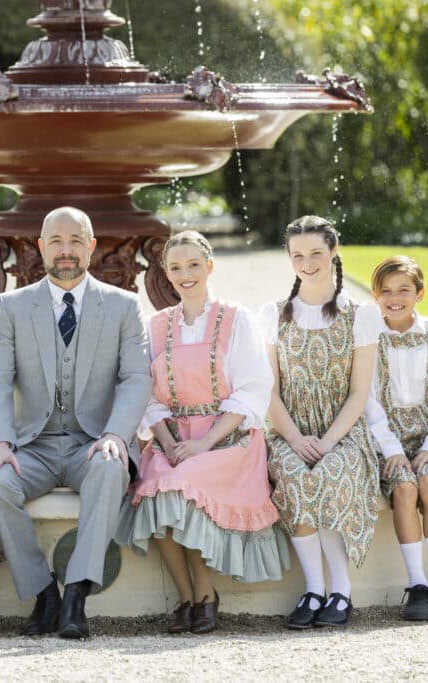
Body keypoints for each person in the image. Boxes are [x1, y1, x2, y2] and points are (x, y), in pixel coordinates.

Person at [0, 206, 152, 639]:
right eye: (56, 241)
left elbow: (136, 378)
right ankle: (43, 593)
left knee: (112, 469)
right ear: (40, 247)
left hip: (91, 442)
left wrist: (114, 434)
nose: (66, 250)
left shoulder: (123, 307)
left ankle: (75, 593)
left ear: (91, 247)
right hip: (31, 444)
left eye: (76, 241)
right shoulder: (12, 306)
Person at [115, 231, 287, 635]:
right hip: (172, 440)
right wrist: (169, 442)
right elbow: (146, 395)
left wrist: (204, 443)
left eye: (194, 265)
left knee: (182, 489)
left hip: (227, 441)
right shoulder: (155, 325)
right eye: (175, 267)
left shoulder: (236, 318)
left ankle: (206, 595)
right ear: (165, 273)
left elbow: (253, 389)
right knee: (157, 491)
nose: (185, 274)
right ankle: (187, 597)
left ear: (209, 267)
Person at [258, 215, 380, 629]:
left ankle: (341, 591)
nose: (307, 262)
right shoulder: (274, 313)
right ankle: (313, 590)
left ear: (333, 250)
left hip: (341, 432)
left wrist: (326, 442)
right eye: (298, 255)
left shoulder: (358, 315)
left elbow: (359, 394)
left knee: (327, 474)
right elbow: (268, 391)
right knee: (295, 476)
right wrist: (293, 438)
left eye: (315, 253)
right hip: (288, 431)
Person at [364, 256, 428, 621]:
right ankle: (417, 585)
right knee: (404, 489)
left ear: (419, 293)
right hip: (385, 439)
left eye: (404, 290)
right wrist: (390, 449)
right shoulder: (371, 337)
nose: (395, 298)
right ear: (375, 296)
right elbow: (368, 401)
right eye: (386, 291)